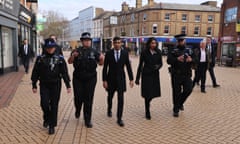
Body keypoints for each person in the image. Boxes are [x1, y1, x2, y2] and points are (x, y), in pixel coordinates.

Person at [31, 38, 71, 135]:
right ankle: (47, 117)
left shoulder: (60, 59)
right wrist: (34, 84)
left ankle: (52, 125)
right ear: (46, 48)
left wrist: (68, 85)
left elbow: (64, 72)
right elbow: (35, 71)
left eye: (52, 48)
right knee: (44, 103)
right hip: (44, 84)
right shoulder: (40, 58)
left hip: (56, 84)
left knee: (54, 105)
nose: (50, 50)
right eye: (48, 48)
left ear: (55, 48)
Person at [68, 32, 104, 128]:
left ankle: (87, 119)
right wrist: (73, 56)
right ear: (82, 41)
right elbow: (69, 62)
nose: (87, 42)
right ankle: (78, 109)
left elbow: (101, 64)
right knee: (78, 97)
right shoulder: (76, 51)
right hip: (78, 78)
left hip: (91, 78)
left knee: (88, 98)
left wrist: (101, 59)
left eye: (88, 40)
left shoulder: (94, 51)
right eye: (85, 40)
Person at [102, 36, 134, 127]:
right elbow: (105, 68)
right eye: (115, 42)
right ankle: (109, 109)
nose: (117, 44)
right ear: (113, 43)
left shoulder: (125, 53)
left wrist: (131, 79)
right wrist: (104, 80)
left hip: (121, 79)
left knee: (121, 99)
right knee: (110, 97)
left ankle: (119, 118)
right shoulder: (108, 53)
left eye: (119, 42)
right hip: (110, 79)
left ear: (121, 43)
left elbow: (128, 66)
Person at [167, 34, 195, 117]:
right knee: (176, 92)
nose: (181, 42)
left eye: (182, 40)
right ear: (177, 41)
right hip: (176, 74)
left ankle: (180, 103)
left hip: (187, 74)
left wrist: (191, 60)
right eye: (179, 41)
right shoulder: (173, 50)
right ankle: (176, 109)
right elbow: (168, 61)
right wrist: (177, 59)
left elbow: (196, 60)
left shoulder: (189, 50)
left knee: (189, 89)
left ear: (185, 41)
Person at [135, 37, 163, 120]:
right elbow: (140, 65)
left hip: (154, 75)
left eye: (155, 43)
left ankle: (148, 102)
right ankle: (147, 111)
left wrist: (158, 66)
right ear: (149, 44)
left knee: (152, 94)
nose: (153, 44)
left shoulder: (158, 52)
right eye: (152, 43)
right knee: (147, 94)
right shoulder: (144, 52)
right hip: (146, 75)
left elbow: (161, 63)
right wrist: (137, 78)